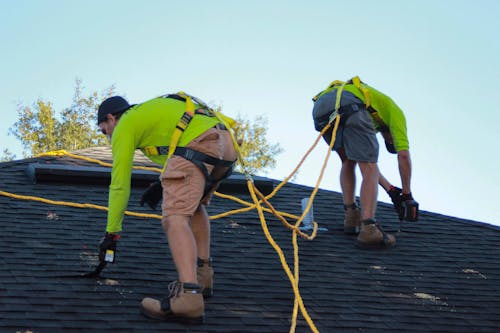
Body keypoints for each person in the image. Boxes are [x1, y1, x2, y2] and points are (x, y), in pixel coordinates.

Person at [97, 93, 238, 324]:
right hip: (226, 145)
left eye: (105, 130)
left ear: (112, 118)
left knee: (174, 217)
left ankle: (190, 297)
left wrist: (112, 232)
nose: (108, 137)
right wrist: (162, 186)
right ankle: (203, 278)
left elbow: (119, 184)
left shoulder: (126, 124)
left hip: (200, 142)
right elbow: (179, 161)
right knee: (194, 207)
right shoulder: (151, 114)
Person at [312, 76, 418, 249]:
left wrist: (390, 189)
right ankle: (368, 227)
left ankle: (351, 216)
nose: (388, 140)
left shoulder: (373, 117)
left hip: (322, 107)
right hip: (350, 105)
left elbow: (362, 161)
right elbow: (403, 157)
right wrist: (407, 195)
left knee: (347, 161)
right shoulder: (396, 115)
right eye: (390, 142)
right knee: (368, 165)